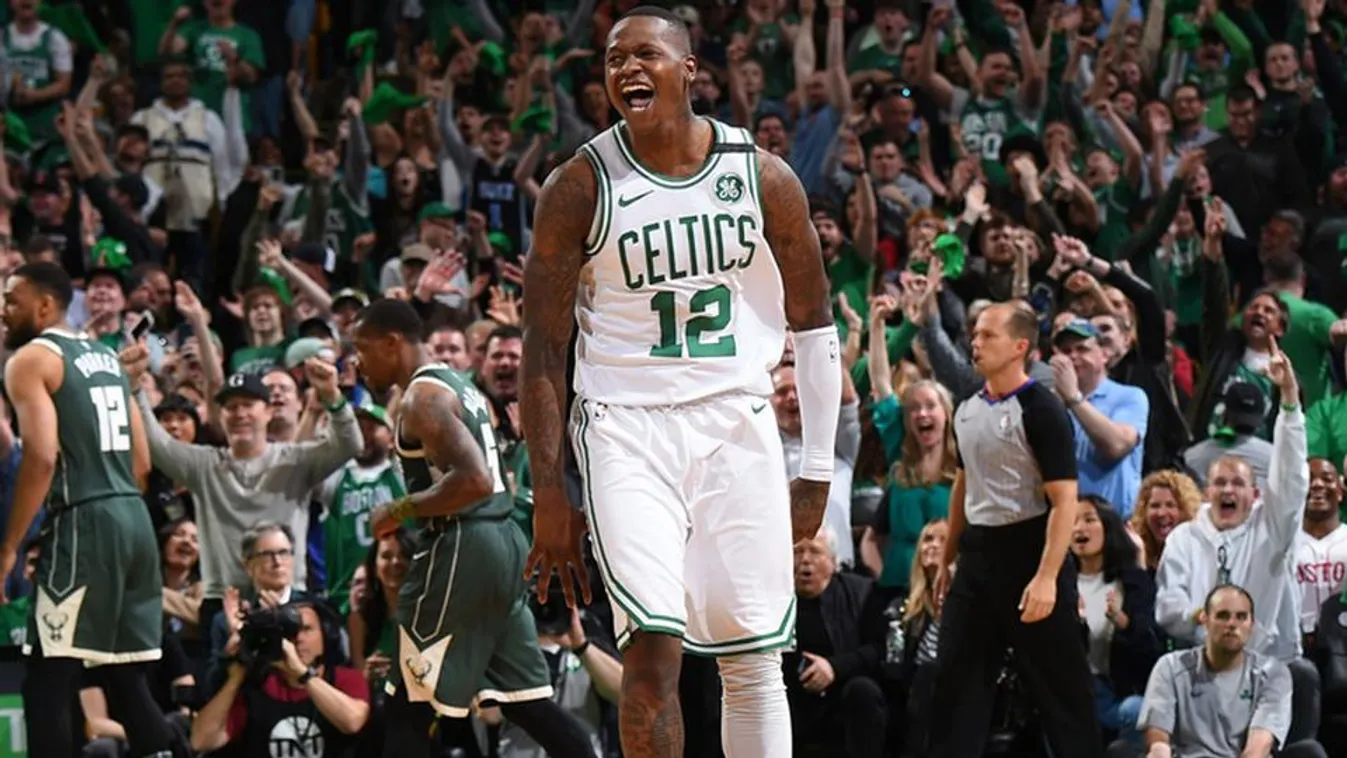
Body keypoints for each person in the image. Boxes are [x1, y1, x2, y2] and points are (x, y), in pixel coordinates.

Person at [520, 6, 841, 757]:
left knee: (753, 658)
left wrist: (818, 470)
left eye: (645, 55)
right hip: (625, 426)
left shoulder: (761, 177)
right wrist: (548, 492)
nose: (627, 69)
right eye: (613, 60)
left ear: (689, 69)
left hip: (735, 420)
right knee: (651, 653)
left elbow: (815, 325)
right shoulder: (579, 186)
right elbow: (542, 350)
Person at [350, 299, 595, 758]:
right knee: (528, 703)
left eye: (362, 349)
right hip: (501, 543)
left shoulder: (422, 399)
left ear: (391, 343)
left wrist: (397, 510)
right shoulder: (459, 385)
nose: (357, 363)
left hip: (462, 543)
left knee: (407, 703)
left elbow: (475, 480)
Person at [0, 261, 175, 758]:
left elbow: (40, 457)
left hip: (85, 520)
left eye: (11, 299)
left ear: (45, 305)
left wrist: (9, 548)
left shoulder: (31, 360)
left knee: (47, 682)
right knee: (123, 678)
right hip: (135, 521)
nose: (3, 310)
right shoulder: (105, 358)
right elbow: (141, 464)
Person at [927, 301, 1102, 758]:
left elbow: (1065, 501)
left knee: (1063, 692)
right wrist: (948, 557)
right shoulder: (966, 408)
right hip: (977, 556)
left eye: (988, 335)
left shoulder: (1042, 408)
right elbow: (963, 483)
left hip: (1031, 550)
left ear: (1020, 346)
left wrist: (1047, 576)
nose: (975, 343)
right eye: (975, 334)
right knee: (954, 686)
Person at [1134, 585, 1327, 758]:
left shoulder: (1273, 673)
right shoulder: (1170, 666)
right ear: (1205, 620)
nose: (1232, 624)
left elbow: (1257, 749)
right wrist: (1159, 751)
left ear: (1251, 625)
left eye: (1241, 617)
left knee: (1310, 752)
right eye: (1222, 616)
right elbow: (1158, 740)